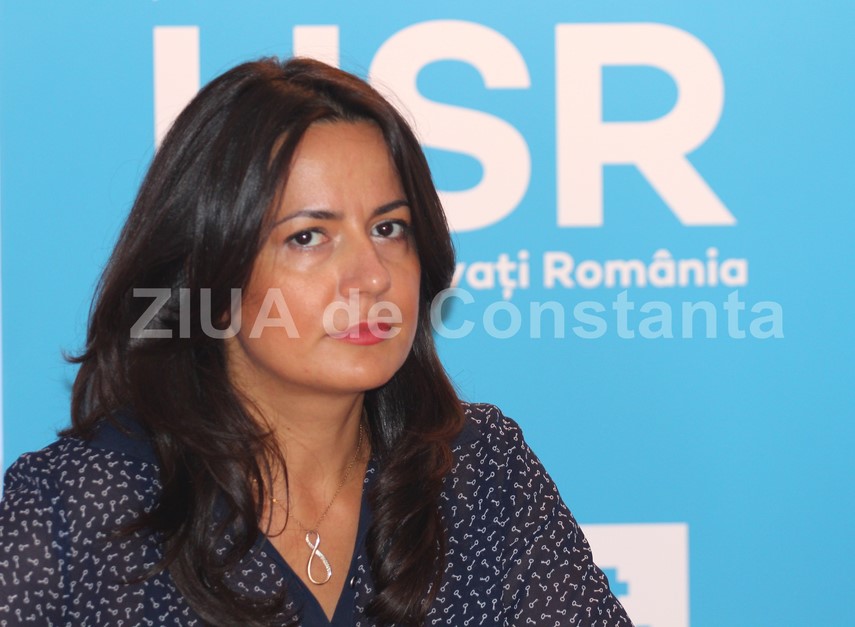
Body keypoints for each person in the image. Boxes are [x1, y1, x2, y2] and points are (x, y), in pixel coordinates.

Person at [0, 57, 633, 626]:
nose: (372, 276)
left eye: (389, 228)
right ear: (207, 273)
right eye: (308, 237)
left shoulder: (480, 471)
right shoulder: (73, 508)